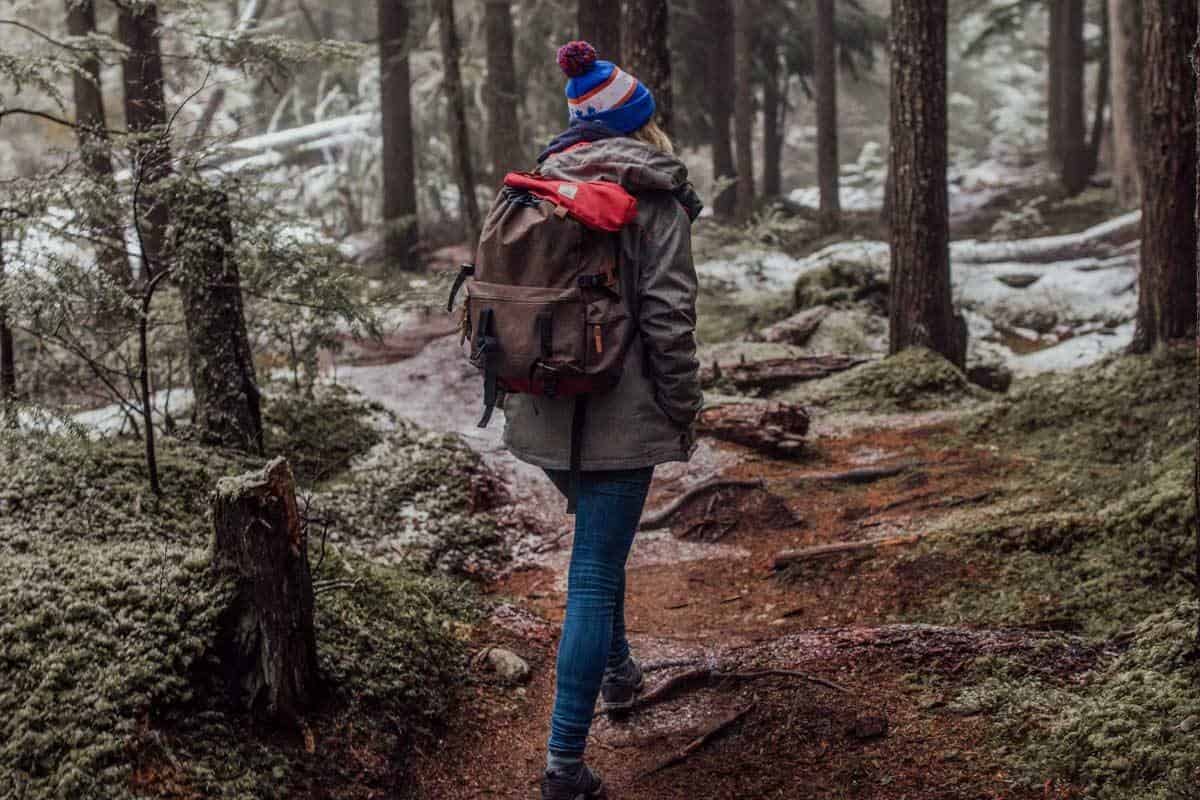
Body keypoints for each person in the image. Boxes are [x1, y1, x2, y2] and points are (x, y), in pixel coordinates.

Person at [500, 41, 703, 800]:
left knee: (599, 546)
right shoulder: (654, 195)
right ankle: (562, 767)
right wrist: (682, 404)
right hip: (620, 416)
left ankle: (618, 672)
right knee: (591, 571)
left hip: (543, 410)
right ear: (640, 124)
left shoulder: (540, 184)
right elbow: (668, 315)